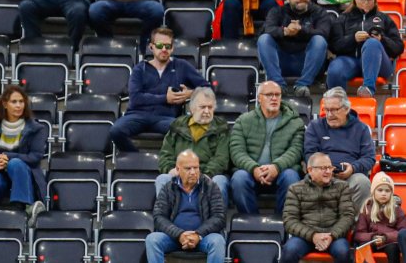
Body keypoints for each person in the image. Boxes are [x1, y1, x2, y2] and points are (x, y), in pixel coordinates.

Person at [111, 26, 208, 152]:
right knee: (116, 131)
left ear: (172, 48)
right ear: (151, 47)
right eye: (159, 45)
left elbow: (208, 88)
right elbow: (135, 98)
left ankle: (171, 163)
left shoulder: (181, 66)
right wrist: (165, 98)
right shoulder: (140, 69)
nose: (164, 49)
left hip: (166, 117)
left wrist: (191, 94)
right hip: (137, 115)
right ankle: (136, 158)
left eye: (167, 46)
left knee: (187, 131)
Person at [230, 81, 304, 214]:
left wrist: (276, 167)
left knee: (291, 177)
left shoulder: (295, 123)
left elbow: (296, 151)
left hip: (282, 171)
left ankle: (282, 224)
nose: (274, 98)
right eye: (269, 95)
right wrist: (254, 168)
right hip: (251, 172)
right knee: (239, 178)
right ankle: (252, 222)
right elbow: (237, 151)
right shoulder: (243, 120)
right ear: (259, 98)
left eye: (277, 95)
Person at [0, 85, 47, 221]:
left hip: (24, 172)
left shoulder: (36, 128)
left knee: (15, 163)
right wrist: (0, 163)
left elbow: (35, 156)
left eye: (21, 101)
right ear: (4, 104)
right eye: (14, 102)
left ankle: (22, 211)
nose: (19, 105)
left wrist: (9, 158)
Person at [303, 87, 378, 210]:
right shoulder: (315, 126)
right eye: (326, 110)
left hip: (351, 176)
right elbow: (310, 154)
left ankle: (351, 226)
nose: (329, 115)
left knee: (363, 183)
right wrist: (324, 169)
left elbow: (369, 157)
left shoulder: (361, 128)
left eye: (334, 110)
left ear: (346, 109)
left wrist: (353, 168)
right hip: (322, 175)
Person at [146, 149, 227, 263]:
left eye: (196, 167)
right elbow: (159, 217)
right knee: (152, 239)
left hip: (203, 237)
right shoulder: (168, 188)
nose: (193, 172)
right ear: (178, 170)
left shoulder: (211, 187)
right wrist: (179, 234)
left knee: (218, 241)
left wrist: (197, 234)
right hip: (174, 238)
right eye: (188, 168)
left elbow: (219, 217)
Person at [328, 0, 405, 97]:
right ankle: (336, 102)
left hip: (379, 64)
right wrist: (353, 39)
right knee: (335, 69)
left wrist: (382, 39)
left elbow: (398, 48)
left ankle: (368, 89)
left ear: (375, 1)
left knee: (372, 43)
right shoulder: (343, 18)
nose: (366, 2)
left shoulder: (384, 18)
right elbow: (334, 46)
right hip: (350, 61)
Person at [258, 0, 333, 98]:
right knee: (264, 39)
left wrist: (301, 30)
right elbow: (267, 29)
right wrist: (285, 31)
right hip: (282, 61)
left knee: (320, 40)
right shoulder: (277, 11)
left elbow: (324, 33)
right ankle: (278, 85)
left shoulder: (320, 13)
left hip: (307, 63)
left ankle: (303, 85)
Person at [156, 87, 230, 206]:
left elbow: (221, 158)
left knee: (220, 181)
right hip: (180, 173)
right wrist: (171, 169)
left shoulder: (221, 128)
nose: (207, 111)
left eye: (210, 107)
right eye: (202, 107)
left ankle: (216, 223)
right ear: (192, 108)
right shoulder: (177, 126)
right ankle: (166, 222)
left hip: (208, 175)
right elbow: (165, 154)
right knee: (163, 179)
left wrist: (203, 174)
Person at [281, 152, 356, 263]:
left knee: (343, 252)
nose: (328, 171)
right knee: (289, 251)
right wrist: (313, 236)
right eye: (323, 168)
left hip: (334, 236)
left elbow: (348, 216)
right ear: (310, 170)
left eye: (330, 167)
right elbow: (289, 220)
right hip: (305, 237)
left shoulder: (342, 186)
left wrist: (332, 236)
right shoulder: (295, 189)